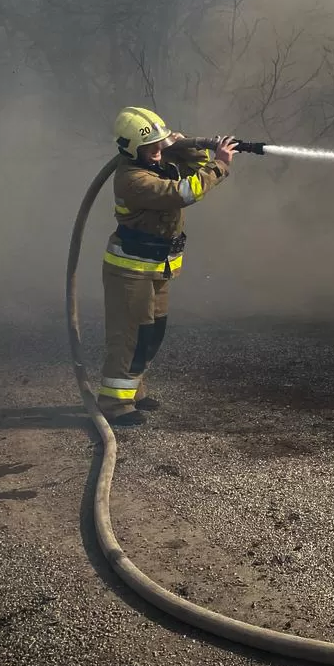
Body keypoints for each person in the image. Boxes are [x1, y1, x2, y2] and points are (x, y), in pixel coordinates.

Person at [99, 106, 238, 427]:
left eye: (159, 144)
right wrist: (221, 164)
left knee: (152, 332)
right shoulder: (133, 179)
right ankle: (113, 403)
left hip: (157, 267)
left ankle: (133, 391)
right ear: (131, 148)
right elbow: (184, 192)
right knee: (130, 335)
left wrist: (185, 144)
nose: (158, 152)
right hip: (130, 270)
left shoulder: (158, 162)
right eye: (150, 147)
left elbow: (197, 167)